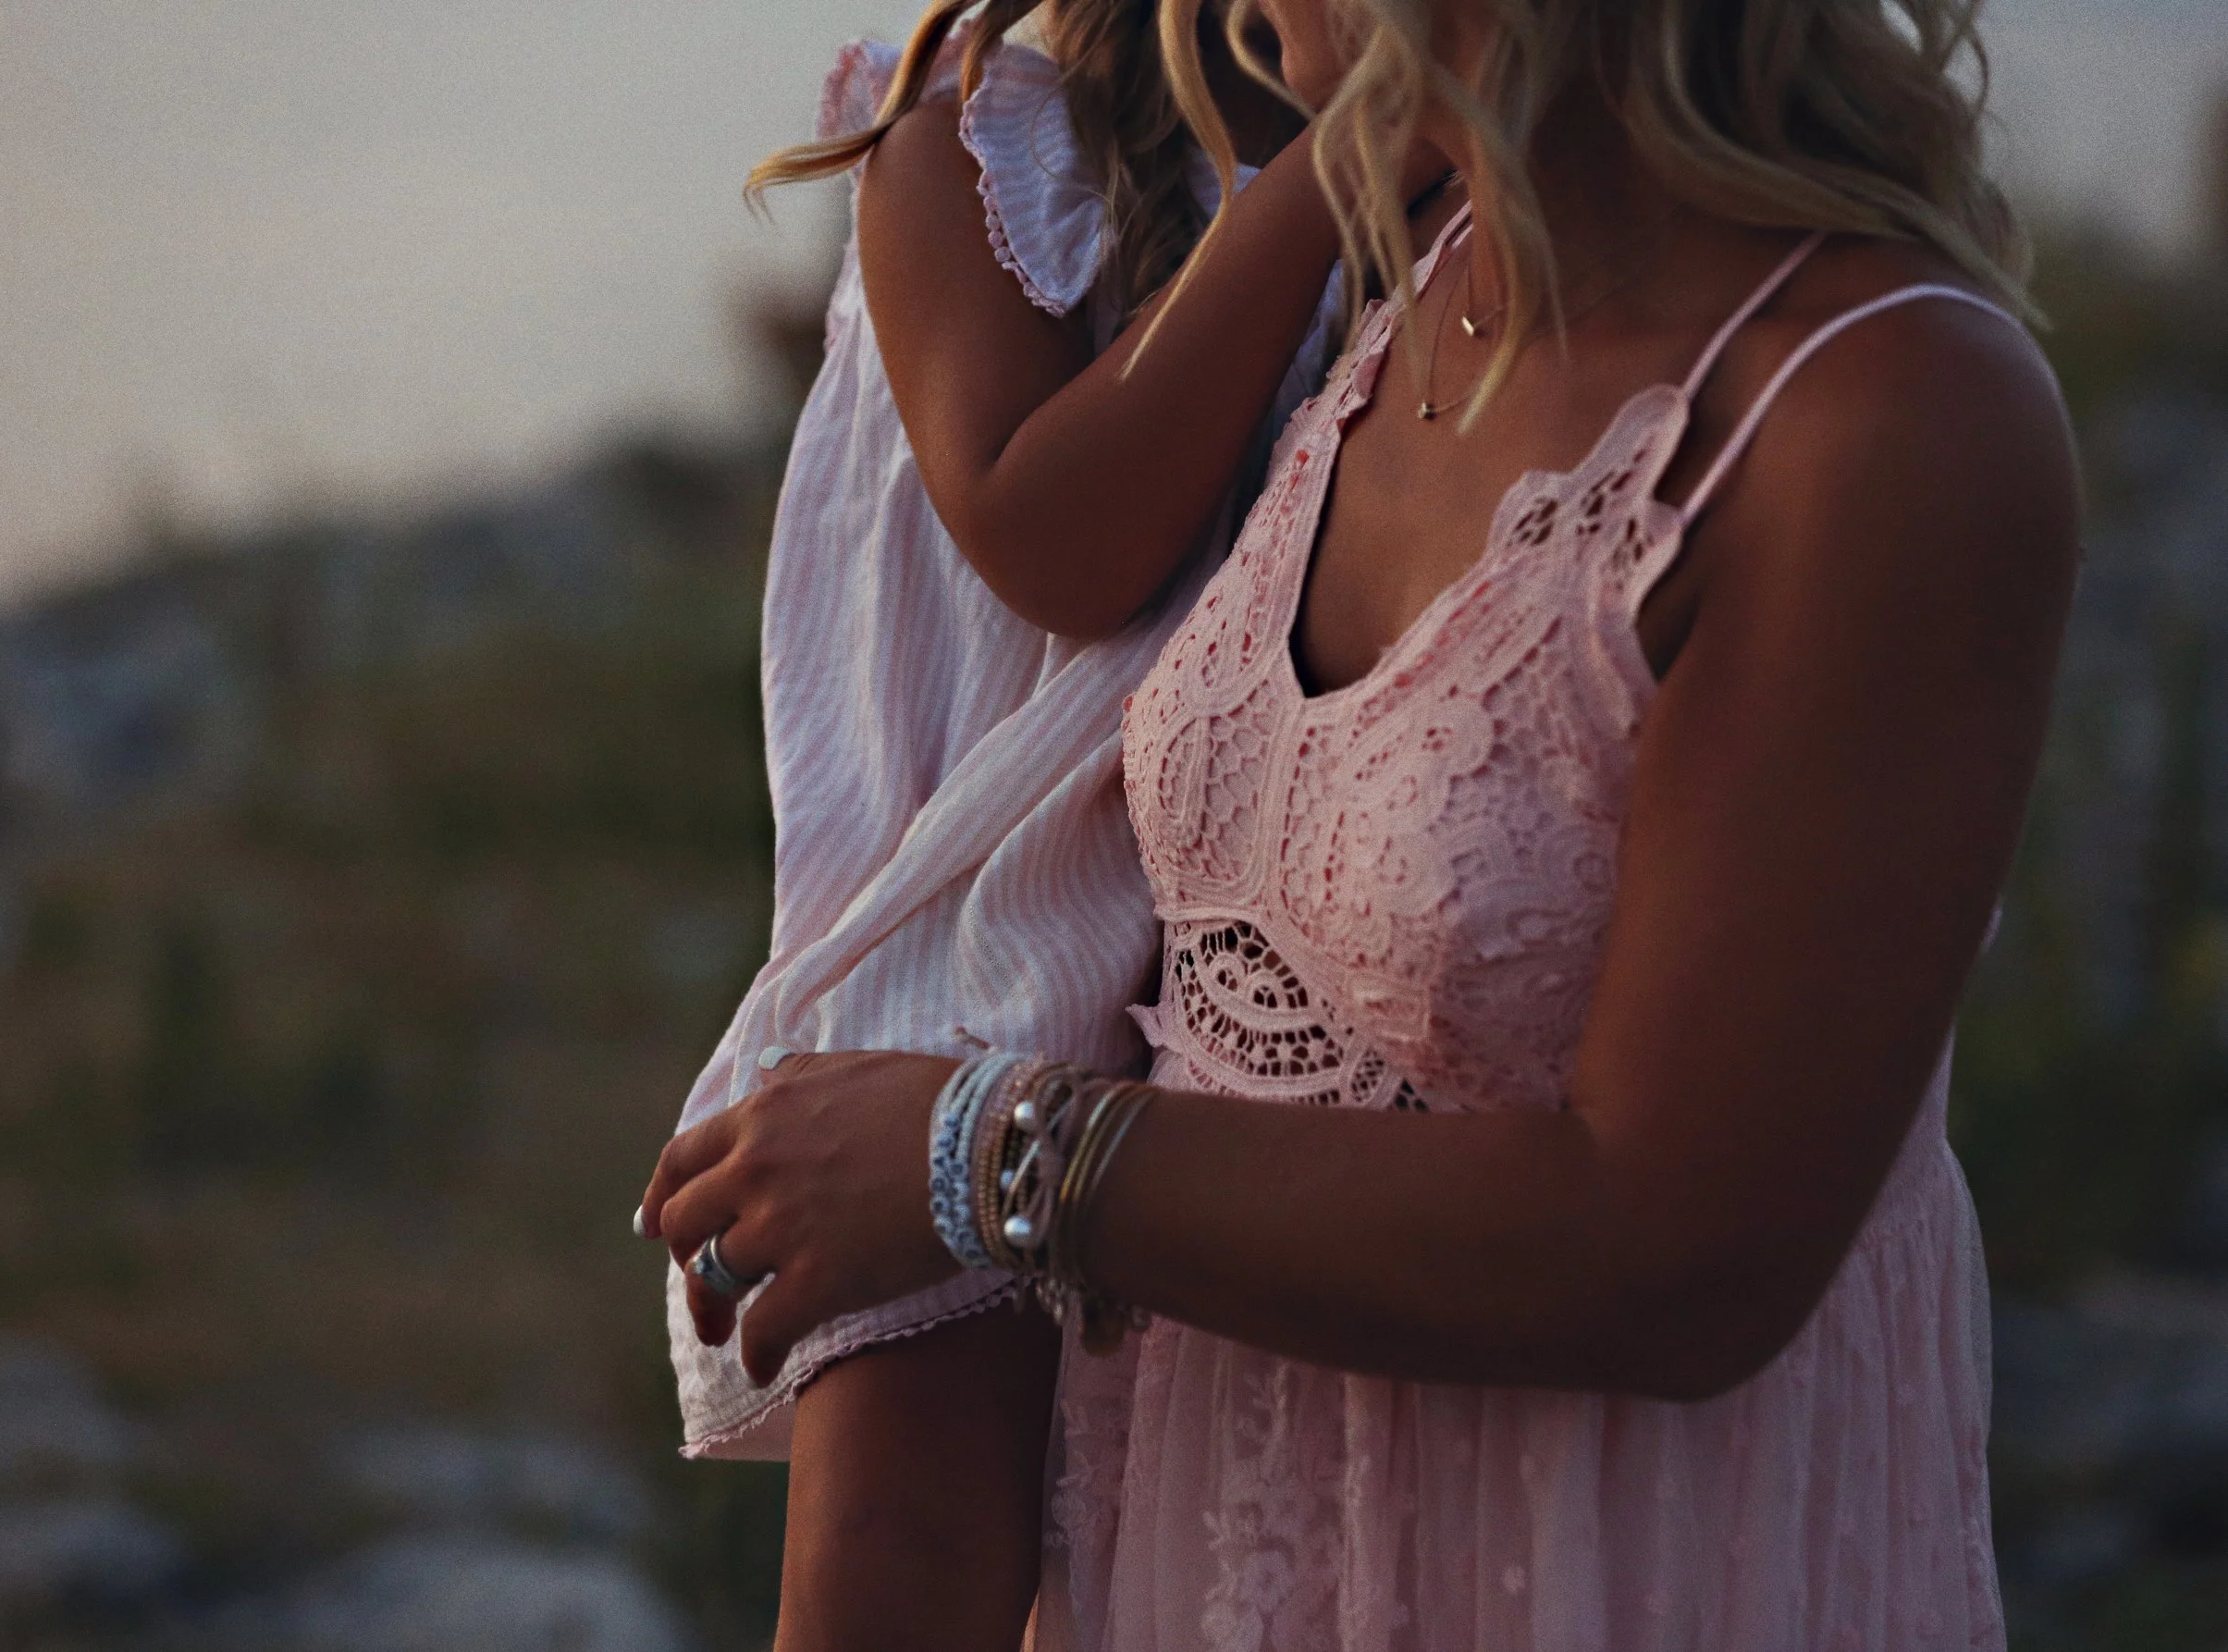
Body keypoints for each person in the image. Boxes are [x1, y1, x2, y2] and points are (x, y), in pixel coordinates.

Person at [641, 0, 2082, 1644]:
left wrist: (984, 1156)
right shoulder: (1408, 284)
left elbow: (1685, 1251)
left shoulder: (1876, 414)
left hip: (1623, 1573)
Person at [638, 2, 1442, 1645]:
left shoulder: (1437, 171)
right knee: (916, 1554)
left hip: (1250, 951)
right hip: (987, 936)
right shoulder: (971, 142)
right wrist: (1337, 170)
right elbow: (1054, 534)